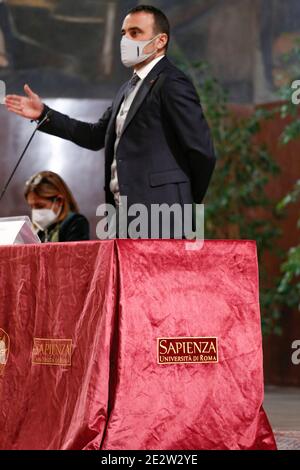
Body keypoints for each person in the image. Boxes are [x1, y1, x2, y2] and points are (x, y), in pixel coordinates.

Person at [5, 5, 216, 238]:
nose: (126, 40)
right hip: (124, 217)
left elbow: (201, 151)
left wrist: (183, 201)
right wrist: (44, 113)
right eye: (124, 34)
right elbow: (95, 135)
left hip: (163, 216)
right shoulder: (127, 89)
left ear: (160, 41)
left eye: (135, 33)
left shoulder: (172, 83)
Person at [24, 170, 89, 242]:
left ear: (59, 201)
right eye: (31, 207)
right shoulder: (40, 231)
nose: (35, 211)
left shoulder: (75, 223)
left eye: (40, 206)